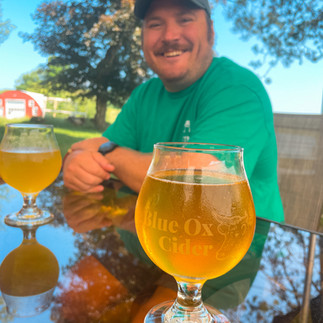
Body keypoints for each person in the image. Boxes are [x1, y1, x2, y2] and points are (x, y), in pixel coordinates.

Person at [63, 0, 284, 222]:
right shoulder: (145, 94)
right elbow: (95, 147)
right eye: (156, 24)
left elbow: (194, 187)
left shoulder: (237, 89)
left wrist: (109, 154)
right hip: (147, 238)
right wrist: (77, 163)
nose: (169, 36)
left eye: (185, 19)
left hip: (229, 246)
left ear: (211, 31)